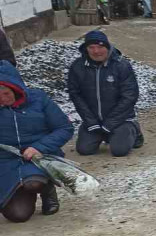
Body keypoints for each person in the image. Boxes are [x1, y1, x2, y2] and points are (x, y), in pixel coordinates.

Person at [0, 60, 73, 222]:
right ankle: (19, 192)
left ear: (16, 88)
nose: (3, 99)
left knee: (33, 183)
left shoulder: (38, 99)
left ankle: (47, 189)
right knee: (17, 215)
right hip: (6, 162)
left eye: (6, 93)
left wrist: (38, 147)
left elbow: (65, 128)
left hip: (38, 158)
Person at [68, 30, 143, 157]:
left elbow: (130, 96)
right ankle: (103, 134)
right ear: (86, 49)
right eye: (91, 47)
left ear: (107, 47)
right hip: (94, 120)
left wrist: (110, 123)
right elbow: (75, 95)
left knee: (119, 151)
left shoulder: (121, 65)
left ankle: (134, 129)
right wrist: (90, 122)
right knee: (84, 150)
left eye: (100, 46)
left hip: (120, 119)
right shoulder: (77, 67)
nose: (96, 51)